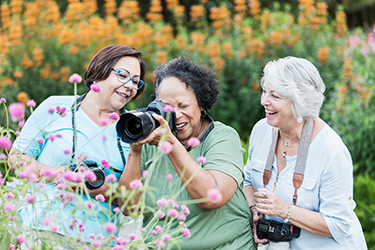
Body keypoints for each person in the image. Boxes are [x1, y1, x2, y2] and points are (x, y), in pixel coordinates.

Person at [8, 44, 146, 246]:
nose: (130, 86)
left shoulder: (132, 130)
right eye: (123, 76)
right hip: (40, 232)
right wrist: (58, 173)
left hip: (96, 241)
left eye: (136, 81)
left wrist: (107, 191)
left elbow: (131, 206)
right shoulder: (56, 106)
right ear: (100, 69)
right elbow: (15, 158)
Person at [118, 57, 256, 249]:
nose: (176, 114)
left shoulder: (222, 137)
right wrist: (135, 149)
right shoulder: (152, 141)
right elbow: (128, 208)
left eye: (183, 106)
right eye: (166, 107)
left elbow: (212, 197)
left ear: (202, 106)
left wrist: (172, 145)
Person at [243, 56, 367, 249]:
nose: (263, 101)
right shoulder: (261, 130)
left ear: (299, 102)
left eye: (274, 96)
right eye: (264, 91)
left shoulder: (331, 152)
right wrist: (254, 212)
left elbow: (339, 225)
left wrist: (285, 210)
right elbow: (248, 181)